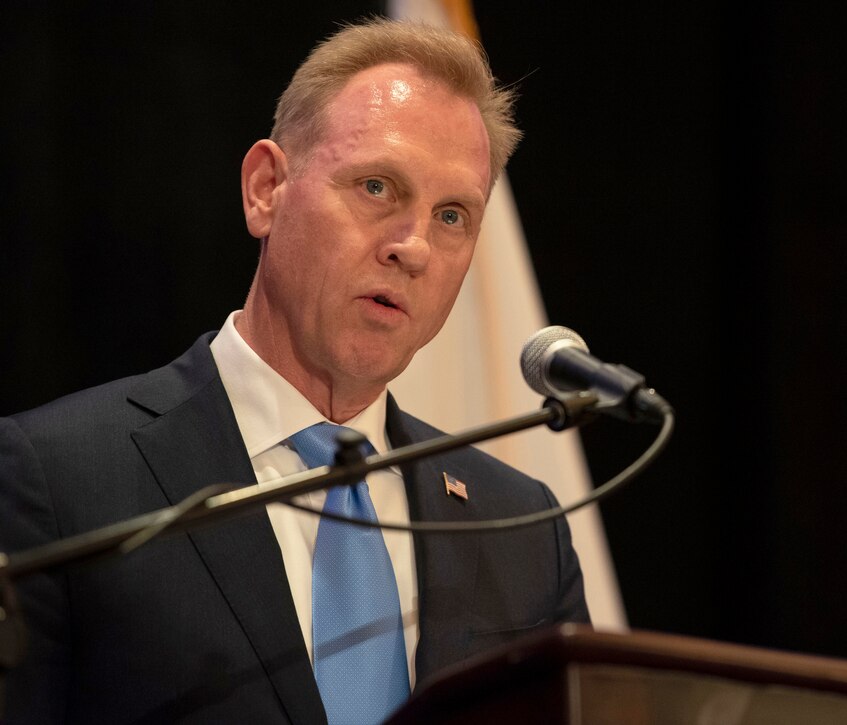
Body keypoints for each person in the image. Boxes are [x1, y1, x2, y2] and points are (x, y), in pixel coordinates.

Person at [0, 16, 590, 725]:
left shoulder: (520, 529)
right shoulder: (58, 477)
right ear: (265, 188)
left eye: (453, 215)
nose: (414, 247)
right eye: (377, 186)